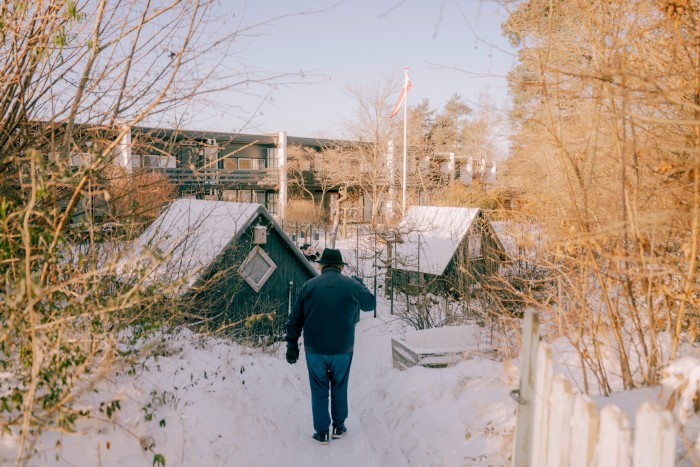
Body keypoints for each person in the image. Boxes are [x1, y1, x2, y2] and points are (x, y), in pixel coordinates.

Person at [285, 248, 376, 445]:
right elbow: (370, 304)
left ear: (321, 265)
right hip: (342, 349)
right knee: (339, 386)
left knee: (318, 389)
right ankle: (338, 426)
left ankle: (322, 432)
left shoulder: (309, 286)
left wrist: (292, 344)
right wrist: (360, 284)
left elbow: (294, 319)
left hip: (315, 349)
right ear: (341, 267)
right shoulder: (352, 286)